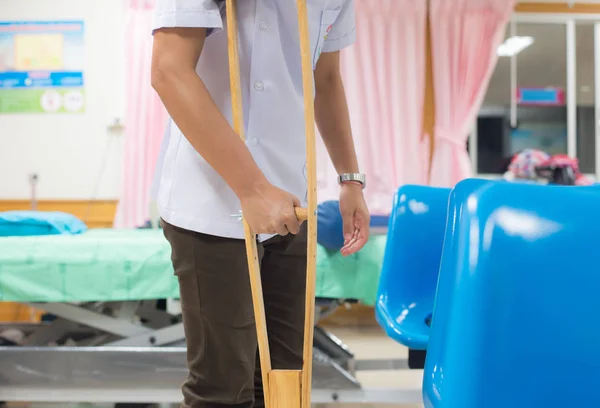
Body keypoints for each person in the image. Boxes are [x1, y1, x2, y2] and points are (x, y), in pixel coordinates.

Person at [150, 1, 369, 407]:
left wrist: (350, 180)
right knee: (221, 391)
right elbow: (168, 70)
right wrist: (251, 189)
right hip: (212, 204)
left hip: (291, 202)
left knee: (285, 385)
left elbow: (326, 77)